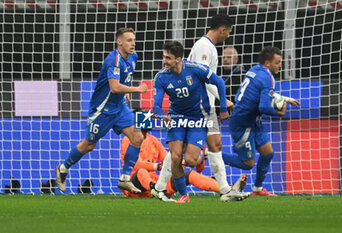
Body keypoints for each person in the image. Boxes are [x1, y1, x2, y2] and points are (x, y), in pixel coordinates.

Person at [151, 14, 249, 203]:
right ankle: (224, 189)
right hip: (201, 108)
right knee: (201, 150)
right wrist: (224, 101)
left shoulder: (206, 46)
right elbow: (202, 80)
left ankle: (161, 186)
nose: (228, 35)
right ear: (222, 29)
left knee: (199, 148)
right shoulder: (205, 47)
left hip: (202, 107)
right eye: (229, 31)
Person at [54, 28, 148, 194]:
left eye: (134, 40)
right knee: (89, 145)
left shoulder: (134, 57)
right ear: (119, 42)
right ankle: (62, 168)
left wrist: (126, 91)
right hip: (102, 110)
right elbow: (114, 86)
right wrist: (136, 89)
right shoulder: (114, 59)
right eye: (128, 40)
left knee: (138, 136)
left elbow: (125, 78)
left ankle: (125, 179)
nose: (133, 44)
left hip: (119, 107)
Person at [219, 46, 300, 196]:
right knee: (247, 164)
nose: (280, 65)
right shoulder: (268, 78)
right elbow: (263, 106)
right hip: (243, 122)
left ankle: (257, 189)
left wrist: (286, 99)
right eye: (277, 62)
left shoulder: (255, 69)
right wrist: (279, 112)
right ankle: (210, 154)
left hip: (253, 120)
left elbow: (261, 93)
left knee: (268, 153)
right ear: (268, 63)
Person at [120, 129, 236, 200]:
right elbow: (136, 164)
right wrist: (157, 166)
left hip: (154, 182)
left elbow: (167, 158)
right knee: (142, 172)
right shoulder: (128, 140)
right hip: (135, 185)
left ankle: (226, 190)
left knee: (190, 175)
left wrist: (181, 162)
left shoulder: (153, 140)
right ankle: (156, 189)